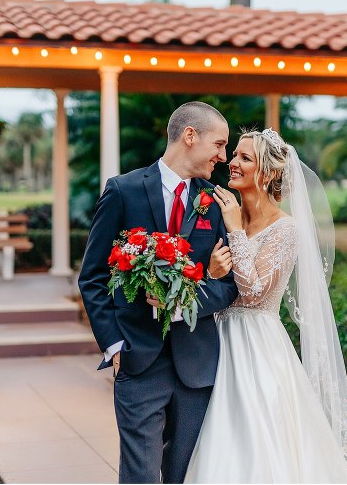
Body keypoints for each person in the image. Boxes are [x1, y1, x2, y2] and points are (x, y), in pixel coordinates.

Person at [184, 129, 347, 483]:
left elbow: (252, 293)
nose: (231, 163)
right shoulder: (217, 214)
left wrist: (235, 229)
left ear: (267, 174)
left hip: (256, 348)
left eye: (244, 158)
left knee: (255, 442)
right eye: (234, 154)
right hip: (211, 340)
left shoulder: (285, 229)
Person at [78, 101, 239, 483]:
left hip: (197, 366)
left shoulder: (217, 203)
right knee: (140, 475)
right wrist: (114, 345)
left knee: (185, 476)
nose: (223, 156)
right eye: (218, 144)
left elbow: (231, 285)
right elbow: (93, 276)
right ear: (189, 136)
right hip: (138, 359)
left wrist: (187, 301)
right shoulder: (123, 190)